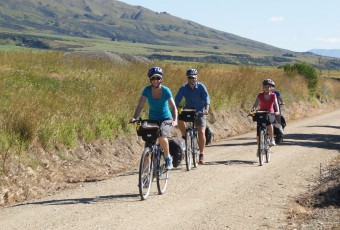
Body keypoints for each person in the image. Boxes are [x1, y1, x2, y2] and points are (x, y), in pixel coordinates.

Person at [130, 67, 178, 170]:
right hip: (153, 120)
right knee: (148, 144)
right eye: (153, 78)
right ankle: (145, 174)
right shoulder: (147, 90)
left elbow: (173, 107)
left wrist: (175, 120)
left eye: (158, 78)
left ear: (161, 79)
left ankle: (167, 157)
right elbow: (140, 105)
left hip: (166, 119)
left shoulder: (166, 90)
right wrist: (134, 118)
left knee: (161, 135)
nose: (155, 80)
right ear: (150, 79)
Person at [174, 68, 210, 165]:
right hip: (188, 110)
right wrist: (176, 109)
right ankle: (185, 135)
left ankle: (201, 154)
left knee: (201, 131)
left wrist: (206, 109)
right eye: (190, 78)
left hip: (200, 112)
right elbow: (176, 101)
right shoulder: (183, 88)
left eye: (193, 78)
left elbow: (207, 100)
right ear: (187, 78)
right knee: (179, 119)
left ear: (196, 77)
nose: (192, 80)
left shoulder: (201, 87)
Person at [250, 78, 280, 148]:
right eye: (265, 87)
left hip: (270, 113)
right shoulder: (260, 95)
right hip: (262, 113)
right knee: (258, 133)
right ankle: (259, 148)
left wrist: (277, 111)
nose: (267, 88)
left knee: (269, 123)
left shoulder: (273, 95)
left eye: (269, 87)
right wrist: (252, 111)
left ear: (271, 88)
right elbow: (255, 104)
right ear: (263, 88)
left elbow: (276, 104)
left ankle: (272, 139)